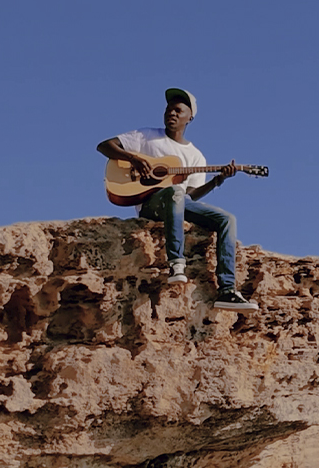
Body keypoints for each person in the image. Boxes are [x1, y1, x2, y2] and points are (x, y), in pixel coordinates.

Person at [97, 88, 258, 312]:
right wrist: (132, 159)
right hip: (152, 204)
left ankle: (227, 291)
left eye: (178, 110)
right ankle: (176, 264)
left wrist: (217, 181)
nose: (171, 113)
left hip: (178, 201)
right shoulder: (146, 136)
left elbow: (190, 195)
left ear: (189, 117)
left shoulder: (196, 156)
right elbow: (104, 146)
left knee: (227, 219)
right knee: (175, 192)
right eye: (168, 109)